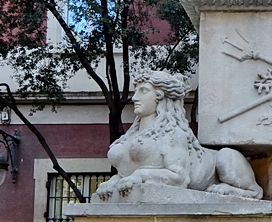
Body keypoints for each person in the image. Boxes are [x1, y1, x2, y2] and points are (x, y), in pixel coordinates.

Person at [93, 71, 262, 201]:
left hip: (211, 173)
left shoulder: (173, 134)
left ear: (159, 97)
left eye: (143, 91)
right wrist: (113, 181)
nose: (135, 97)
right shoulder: (132, 136)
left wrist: (140, 176)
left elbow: (179, 178)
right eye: (136, 91)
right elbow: (127, 173)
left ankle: (246, 190)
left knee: (226, 157)